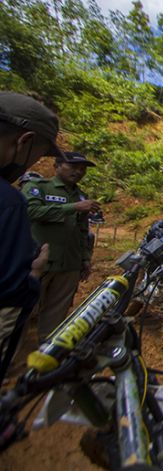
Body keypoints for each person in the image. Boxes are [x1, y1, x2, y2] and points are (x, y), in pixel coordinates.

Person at [0, 91, 63, 382]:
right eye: (38, 155)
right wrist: (33, 273)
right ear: (23, 142)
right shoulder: (9, 202)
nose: (32, 164)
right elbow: (9, 302)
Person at [22, 151, 100, 341]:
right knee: (23, 311)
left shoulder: (82, 196)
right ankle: (14, 360)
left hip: (69, 265)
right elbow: (31, 211)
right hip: (38, 263)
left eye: (82, 169)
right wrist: (72, 208)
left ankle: (46, 355)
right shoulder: (38, 187)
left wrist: (85, 258)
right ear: (56, 166)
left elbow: (83, 230)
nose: (79, 172)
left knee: (56, 315)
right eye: (73, 167)